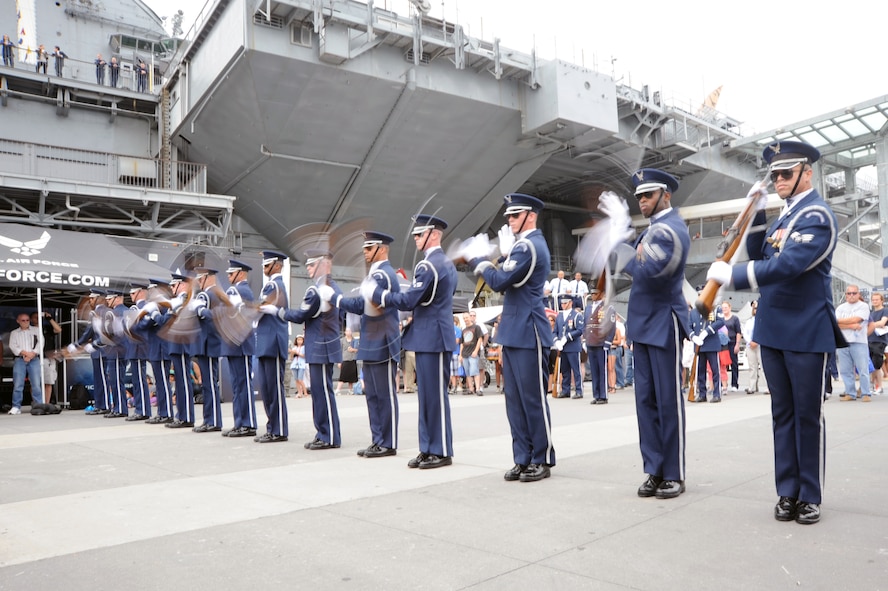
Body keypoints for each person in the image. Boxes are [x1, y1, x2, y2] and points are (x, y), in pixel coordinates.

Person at [706, 140, 844, 525]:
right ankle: (788, 491)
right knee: (781, 414)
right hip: (774, 328)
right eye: (775, 174)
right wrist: (757, 214)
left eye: (786, 173)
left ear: (807, 172)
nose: (779, 179)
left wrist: (732, 275)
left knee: (807, 416)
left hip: (805, 330)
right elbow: (761, 251)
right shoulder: (785, 217)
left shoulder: (817, 215)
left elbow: (788, 265)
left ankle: (810, 494)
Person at [603, 168, 690, 499]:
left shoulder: (670, 229)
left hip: (663, 320)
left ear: (665, 194)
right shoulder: (653, 230)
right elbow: (632, 264)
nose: (642, 201)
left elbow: (648, 272)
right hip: (644, 321)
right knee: (646, 401)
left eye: (648, 195)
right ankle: (654, 468)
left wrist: (622, 239)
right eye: (638, 196)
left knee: (667, 400)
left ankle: (674, 472)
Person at [461, 193, 555, 483]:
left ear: (531, 215)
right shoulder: (520, 247)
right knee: (513, 400)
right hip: (514, 330)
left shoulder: (530, 246)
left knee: (532, 398)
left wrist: (481, 260)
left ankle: (541, 457)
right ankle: (522, 457)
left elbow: (500, 281)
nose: (510, 220)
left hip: (529, 330)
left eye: (515, 216)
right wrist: (502, 256)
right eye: (509, 216)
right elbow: (508, 275)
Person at [369, 214, 458, 469]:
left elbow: (410, 301)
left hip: (433, 336)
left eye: (420, 234)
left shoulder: (429, 266)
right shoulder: (444, 263)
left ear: (435, 234)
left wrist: (380, 294)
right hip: (431, 335)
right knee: (427, 396)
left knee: (435, 397)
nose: (416, 238)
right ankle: (428, 448)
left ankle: (440, 450)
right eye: (416, 234)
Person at [333, 232, 402, 458]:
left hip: (382, 339)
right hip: (373, 340)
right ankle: (378, 439)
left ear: (381, 249)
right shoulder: (375, 274)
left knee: (385, 395)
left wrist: (338, 299)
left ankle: (388, 442)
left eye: (368, 247)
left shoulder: (383, 274)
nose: (364, 252)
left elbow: (364, 305)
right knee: (372, 394)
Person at [271, 248, 344, 450]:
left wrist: (279, 311)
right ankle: (327, 434)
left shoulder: (316, 290)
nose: (308, 268)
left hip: (320, 346)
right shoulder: (333, 286)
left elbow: (300, 315)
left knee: (322, 393)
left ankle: (327, 436)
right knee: (322, 392)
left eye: (312, 265)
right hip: (326, 344)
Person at [254, 251, 291, 443]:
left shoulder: (276, 285)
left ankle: (279, 430)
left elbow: (264, 309)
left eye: (267, 264)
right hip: (266, 341)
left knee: (274, 389)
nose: (264, 267)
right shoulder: (271, 285)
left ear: (276, 265)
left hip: (273, 341)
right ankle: (273, 427)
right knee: (268, 389)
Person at [219, 260, 258, 437]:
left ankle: (247, 423)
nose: (228, 276)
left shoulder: (239, 290)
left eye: (231, 273)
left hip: (240, 344)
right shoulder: (240, 290)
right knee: (238, 385)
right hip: (236, 344)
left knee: (242, 385)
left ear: (240, 274)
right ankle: (240, 422)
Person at [835, 284, 871, 402]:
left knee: (862, 369)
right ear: (845, 295)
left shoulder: (863, 306)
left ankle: (866, 393)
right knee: (845, 370)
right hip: (843, 342)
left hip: (859, 342)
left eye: (854, 293)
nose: (851, 296)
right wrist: (850, 325)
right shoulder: (840, 308)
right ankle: (850, 392)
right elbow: (835, 324)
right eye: (849, 293)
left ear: (858, 294)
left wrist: (843, 323)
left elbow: (857, 320)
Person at [584, 287, 616, 404]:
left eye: (595, 293)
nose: (593, 295)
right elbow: (585, 325)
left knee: (602, 370)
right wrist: (585, 340)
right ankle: (596, 395)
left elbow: (611, 326)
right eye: (592, 293)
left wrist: (608, 342)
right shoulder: (588, 308)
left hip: (601, 343)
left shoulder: (608, 308)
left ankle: (603, 395)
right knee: (594, 370)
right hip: (591, 342)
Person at [8, 313, 43, 414]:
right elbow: (12, 346)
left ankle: (38, 405)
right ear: (18, 321)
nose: (26, 322)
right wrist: (26, 353)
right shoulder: (14, 333)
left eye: (27, 320)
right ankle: (16, 406)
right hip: (20, 359)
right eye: (23, 320)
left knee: (36, 384)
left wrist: (32, 354)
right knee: (18, 384)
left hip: (34, 359)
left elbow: (41, 343)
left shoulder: (36, 330)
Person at [689, 303, 724, 402]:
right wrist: (693, 336)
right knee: (700, 371)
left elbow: (721, 322)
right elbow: (688, 326)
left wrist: (707, 331)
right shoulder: (693, 312)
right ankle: (702, 394)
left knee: (715, 371)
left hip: (711, 344)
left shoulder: (715, 308)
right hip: (699, 346)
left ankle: (717, 394)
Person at [554, 296, 584, 398]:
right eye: (562, 303)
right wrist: (556, 341)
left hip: (573, 346)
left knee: (576, 370)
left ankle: (579, 390)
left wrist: (567, 337)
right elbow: (555, 332)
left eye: (565, 303)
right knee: (565, 370)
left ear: (570, 303)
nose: (563, 305)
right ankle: (565, 390)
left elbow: (580, 330)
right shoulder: (559, 316)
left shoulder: (576, 315)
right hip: (563, 348)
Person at [30, 311, 61, 403]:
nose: (38, 319)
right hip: (35, 357)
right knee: (35, 383)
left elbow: (58, 329)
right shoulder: (29, 330)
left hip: (48, 358)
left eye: (39, 317)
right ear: (31, 319)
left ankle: (46, 403)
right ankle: (36, 403)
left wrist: (49, 319)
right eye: (36, 317)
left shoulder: (47, 328)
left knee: (48, 382)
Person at [741, 300, 769, 395]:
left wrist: (757, 341)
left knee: (764, 367)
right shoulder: (749, 321)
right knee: (752, 367)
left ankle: (767, 387)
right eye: (755, 308)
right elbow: (745, 333)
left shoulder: (764, 320)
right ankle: (752, 386)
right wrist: (750, 342)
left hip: (760, 345)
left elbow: (764, 332)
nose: (756, 310)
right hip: (750, 346)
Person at [459, 311, 484, 395]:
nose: (466, 319)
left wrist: (476, 351)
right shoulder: (464, 330)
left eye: (467, 317)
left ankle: (478, 389)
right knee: (468, 372)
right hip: (465, 353)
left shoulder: (476, 327)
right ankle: (471, 388)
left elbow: (480, 339)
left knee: (475, 370)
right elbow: (462, 343)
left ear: (470, 317)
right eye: (464, 318)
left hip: (473, 353)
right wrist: (460, 354)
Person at [868, 292, 888, 395]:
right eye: (873, 300)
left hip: (879, 340)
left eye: (877, 299)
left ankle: (879, 386)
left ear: (881, 300)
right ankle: (873, 385)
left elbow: (882, 323)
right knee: (871, 364)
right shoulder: (870, 313)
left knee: (877, 364)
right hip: (869, 339)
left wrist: (870, 325)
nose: (875, 301)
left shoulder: (885, 311)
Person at [720, 301, 742, 392]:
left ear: (729, 308)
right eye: (723, 307)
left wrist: (737, 344)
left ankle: (734, 384)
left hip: (732, 342)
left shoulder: (735, 318)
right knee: (722, 364)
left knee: (734, 363)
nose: (724, 309)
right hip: (722, 343)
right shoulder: (720, 319)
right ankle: (723, 384)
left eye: (726, 307)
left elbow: (738, 332)